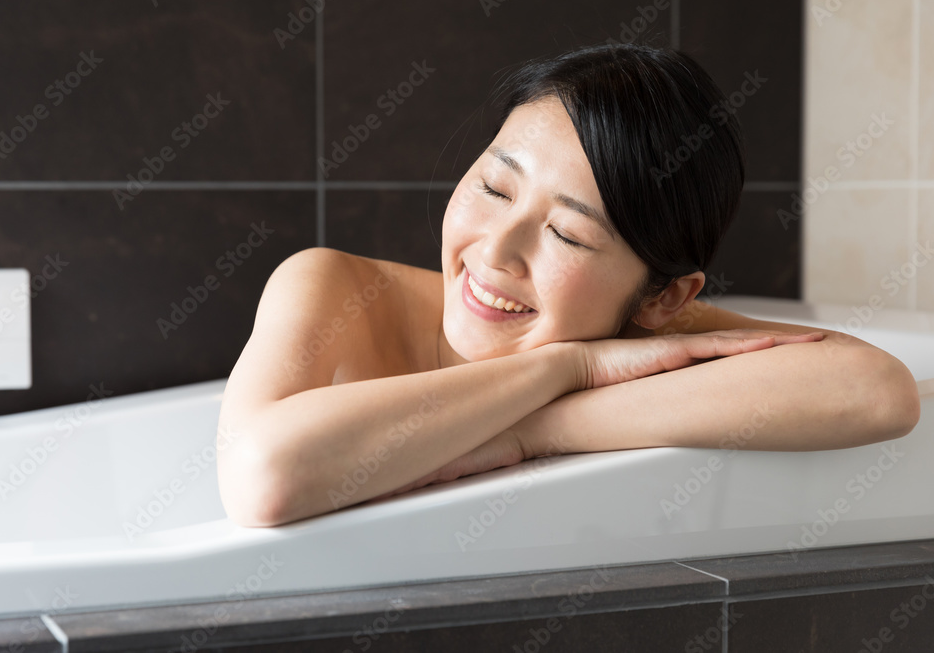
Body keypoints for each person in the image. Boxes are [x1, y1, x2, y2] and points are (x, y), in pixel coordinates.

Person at [216, 43, 920, 527]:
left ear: (662, 299)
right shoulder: (334, 287)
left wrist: (532, 429)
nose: (495, 249)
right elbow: (261, 479)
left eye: (568, 234)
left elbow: (875, 387)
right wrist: (570, 365)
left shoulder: (652, 327)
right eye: (494, 186)